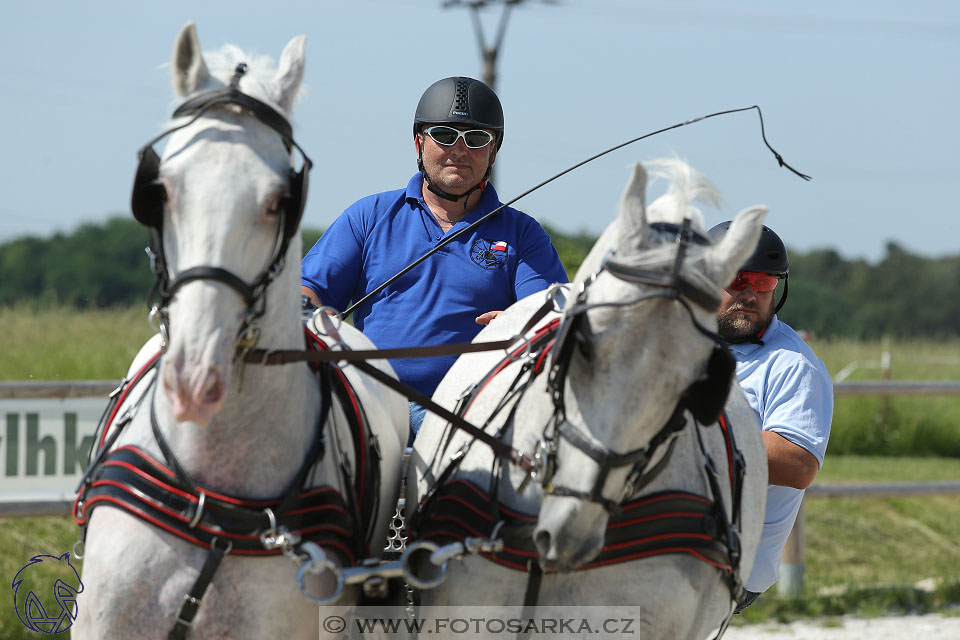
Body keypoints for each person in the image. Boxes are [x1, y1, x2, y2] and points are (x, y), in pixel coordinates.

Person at [301, 76, 567, 443]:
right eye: (444, 135)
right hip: (371, 398)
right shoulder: (368, 216)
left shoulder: (523, 234)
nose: (459, 150)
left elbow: (552, 316)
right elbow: (309, 289)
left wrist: (518, 322)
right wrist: (318, 318)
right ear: (419, 142)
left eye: (475, 139)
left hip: (470, 407)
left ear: (494, 151)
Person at [707, 222, 833, 613]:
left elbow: (797, 463)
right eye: (736, 278)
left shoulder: (792, 364)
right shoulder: (677, 340)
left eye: (764, 282)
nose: (749, 292)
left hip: (726, 562)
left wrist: (683, 432)